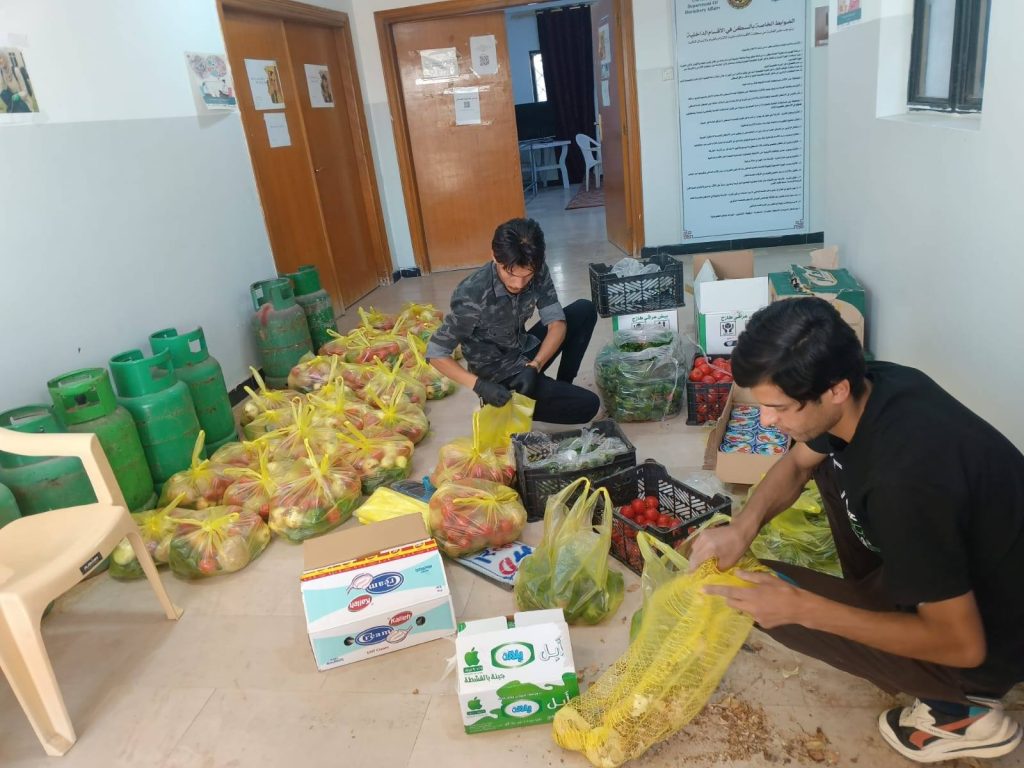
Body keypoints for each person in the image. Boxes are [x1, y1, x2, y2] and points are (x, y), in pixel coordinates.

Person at [691, 296, 1024, 763]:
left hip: (988, 639)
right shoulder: (877, 384)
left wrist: (805, 609)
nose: (766, 419)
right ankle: (883, 602)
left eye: (778, 407)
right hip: (969, 563)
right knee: (825, 463)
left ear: (836, 389)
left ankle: (961, 711)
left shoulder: (904, 484)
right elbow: (797, 464)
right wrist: (742, 527)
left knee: (756, 599)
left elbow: (964, 645)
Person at [426, 217, 600, 425]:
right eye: (510, 274)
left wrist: (535, 366)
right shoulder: (472, 294)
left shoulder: (537, 268)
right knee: (589, 405)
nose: (519, 284)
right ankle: (501, 402)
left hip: (522, 352)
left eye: (527, 276)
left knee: (584, 310)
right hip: (498, 378)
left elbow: (556, 323)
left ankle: (563, 385)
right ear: (494, 256)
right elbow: (435, 353)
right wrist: (480, 386)